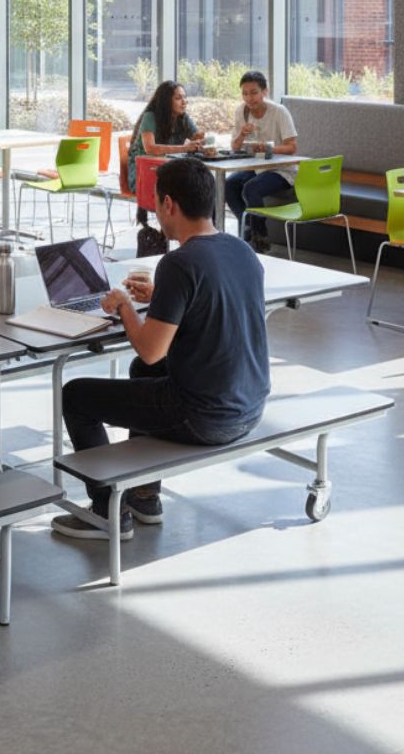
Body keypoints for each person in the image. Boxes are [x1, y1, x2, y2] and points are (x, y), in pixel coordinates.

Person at [52, 158, 269, 541]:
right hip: (249, 406)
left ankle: (106, 511)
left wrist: (122, 305)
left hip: (204, 416)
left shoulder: (179, 261)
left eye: (155, 201)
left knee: (75, 396)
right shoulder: (241, 250)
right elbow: (212, 304)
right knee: (143, 372)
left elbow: (152, 348)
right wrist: (163, 299)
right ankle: (145, 496)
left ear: (169, 204)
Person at [126, 79, 203, 254]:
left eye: (185, 98)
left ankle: (195, 243)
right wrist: (185, 147)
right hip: (143, 173)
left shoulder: (183, 118)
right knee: (185, 195)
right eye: (178, 98)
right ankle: (184, 243)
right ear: (166, 100)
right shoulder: (150, 117)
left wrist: (201, 139)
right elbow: (150, 148)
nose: (184, 102)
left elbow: (197, 136)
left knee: (199, 191)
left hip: (168, 173)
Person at [224, 70, 298, 254]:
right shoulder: (241, 111)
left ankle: (259, 237)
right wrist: (242, 134)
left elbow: (291, 147)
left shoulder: (279, 112)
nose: (249, 98)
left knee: (251, 188)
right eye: (245, 93)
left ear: (265, 92)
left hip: (281, 170)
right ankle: (246, 228)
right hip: (256, 167)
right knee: (230, 184)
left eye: (254, 92)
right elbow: (235, 147)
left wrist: (267, 148)